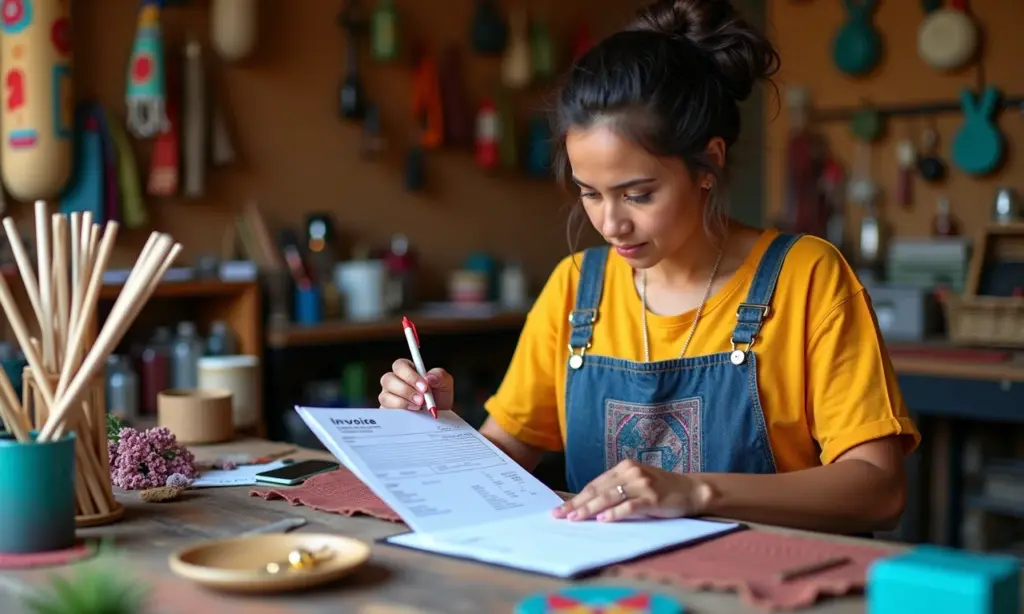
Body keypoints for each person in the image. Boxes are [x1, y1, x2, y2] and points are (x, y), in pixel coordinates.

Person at [378, 0, 919, 535]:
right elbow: (503, 461)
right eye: (590, 193)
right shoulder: (576, 290)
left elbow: (879, 489)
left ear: (708, 164)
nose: (610, 223)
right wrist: (439, 433)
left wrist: (697, 491)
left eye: (637, 195)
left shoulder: (807, 278)